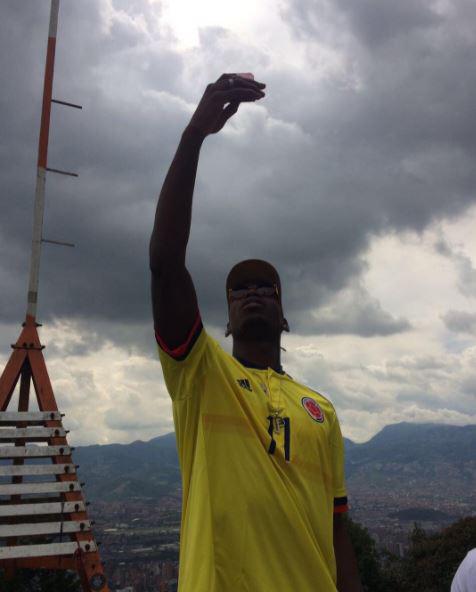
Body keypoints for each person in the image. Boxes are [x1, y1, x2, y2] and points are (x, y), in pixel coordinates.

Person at [149, 73, 362, 592]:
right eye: (239, 289)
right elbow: (165, 263)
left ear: (283, 311)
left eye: (266, 286)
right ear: (224, 316)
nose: (252, 293)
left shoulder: (322, 409)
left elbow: (337, 531)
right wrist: (192, 137)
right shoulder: (201, 374)